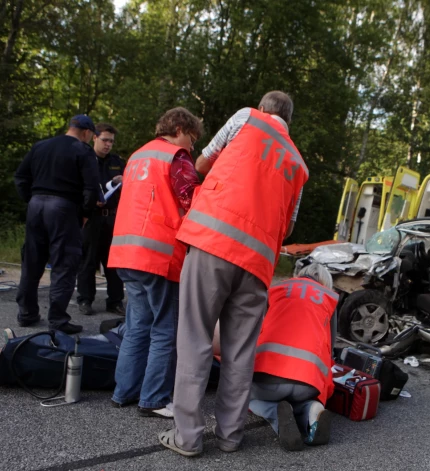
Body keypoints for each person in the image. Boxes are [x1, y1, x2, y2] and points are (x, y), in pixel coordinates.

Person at [159, 91, 308, 457]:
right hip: (257, 264)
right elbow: (287, 229)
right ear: (289, 120)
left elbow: (204, 163)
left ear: (263, 109)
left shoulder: (246, 118)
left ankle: (188, 438)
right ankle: (230, 437)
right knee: (240, 352)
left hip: (213, 241)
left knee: (195, 338)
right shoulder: (298, 165)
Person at [107, 107, 203, 418]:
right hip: (158, 256)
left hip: (126, 253)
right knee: (165, 329)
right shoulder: (176, 156)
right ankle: (155, 399)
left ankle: (123, 392)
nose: (192, 147)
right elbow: (192, 200)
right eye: (192, 138)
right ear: (178, 128)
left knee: (137, 327)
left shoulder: (137, 156)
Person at [14, 115, 100, 334]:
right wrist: (84, 214)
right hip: (63, 208)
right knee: (64, 263)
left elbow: (21, 177)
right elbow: (90, 189)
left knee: (32, 261)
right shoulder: (83, 150)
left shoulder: (41, 146)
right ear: (86, 132)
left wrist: (31, 199)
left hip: (37, 204)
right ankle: (58, 319)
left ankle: (27, 313)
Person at [249, 263, 338, 451]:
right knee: (303, 401)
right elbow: (330, 349)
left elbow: (257, 329)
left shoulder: (277, 289)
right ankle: (312, 412)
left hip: (268, 379)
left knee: (247, 398)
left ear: (299, 274)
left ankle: (277, 417)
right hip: (307, 384)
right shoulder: (329, 299)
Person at [77, 123, 126, 316]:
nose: (108, 145)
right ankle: (85, 299)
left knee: (114, 262)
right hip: (92, 217)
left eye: (111, 141)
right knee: (88, 260)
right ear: (95, 137)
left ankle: (115, 301)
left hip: (113, 217)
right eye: (105, 140)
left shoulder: (116, 162)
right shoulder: (85, 159)